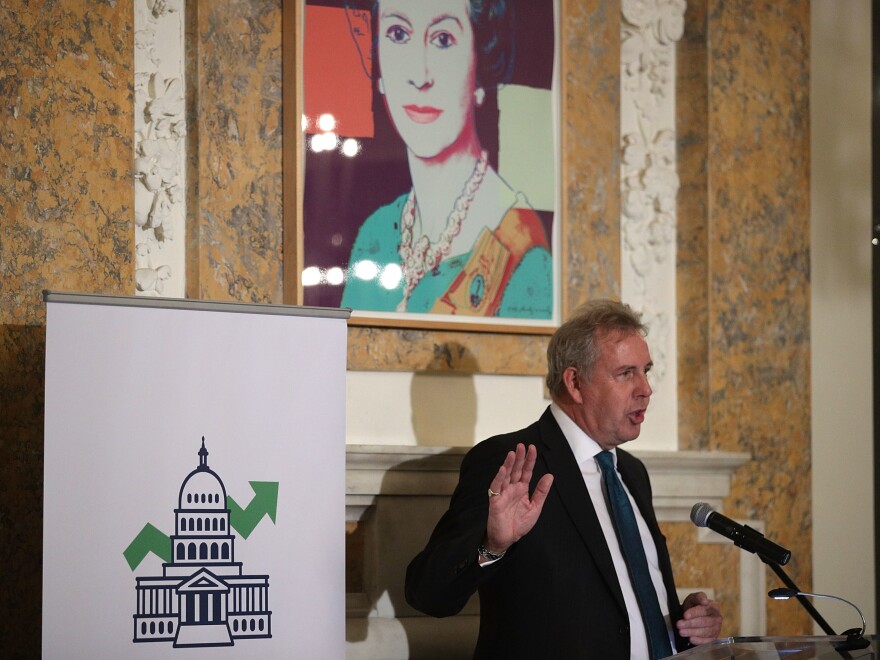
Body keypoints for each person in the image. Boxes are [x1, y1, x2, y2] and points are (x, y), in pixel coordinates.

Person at [405, 299, 723, 658]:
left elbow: (624, 610)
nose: (645, 389)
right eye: (625, 373)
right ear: (574, 382)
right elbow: (428, 595)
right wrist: (491, 546)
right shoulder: (510, 461)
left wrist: (688, 624)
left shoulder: (632, 473)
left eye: (645, 370)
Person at [340, 0, 553, 319]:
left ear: (479, 67)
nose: (419, 75)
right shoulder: (376, 233)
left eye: (442, 39)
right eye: (398, 33)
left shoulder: (521, 251)